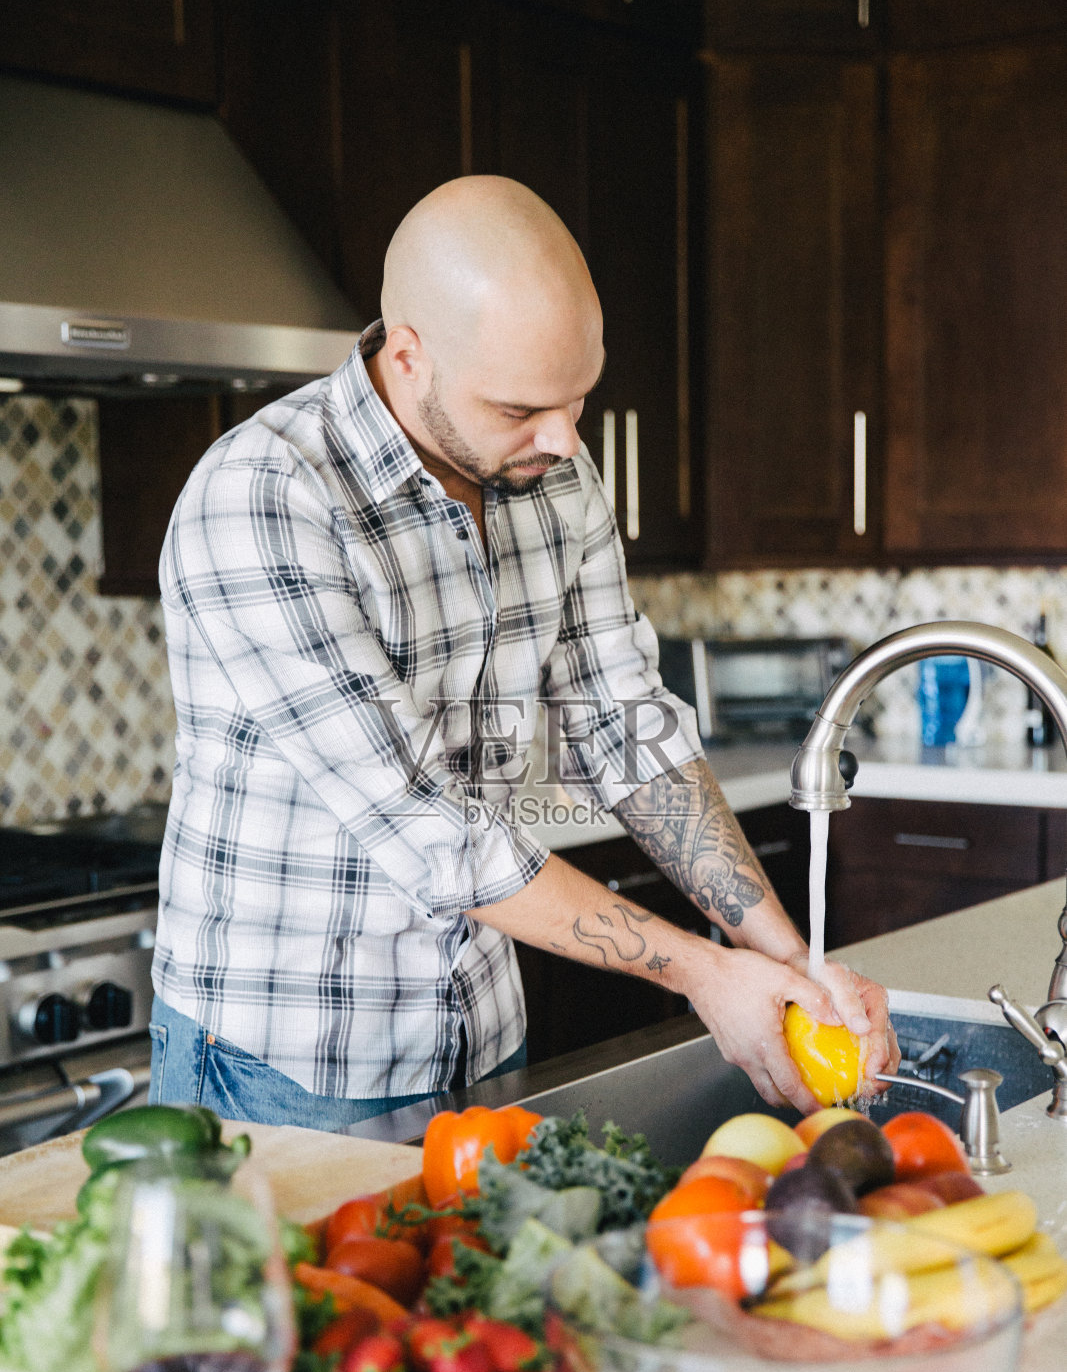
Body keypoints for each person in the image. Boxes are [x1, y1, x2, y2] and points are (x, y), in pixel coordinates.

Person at [149, 175, 897, 1128]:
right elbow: (432, 830)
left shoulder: (552, 465)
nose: (565, 440)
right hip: (281, 1067)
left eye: (578, 400)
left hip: (485, 1044)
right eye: (520, 410)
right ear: (409, 356)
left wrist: (785, 957)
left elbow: (622, 720)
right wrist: (706, 972)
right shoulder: (264, 497)